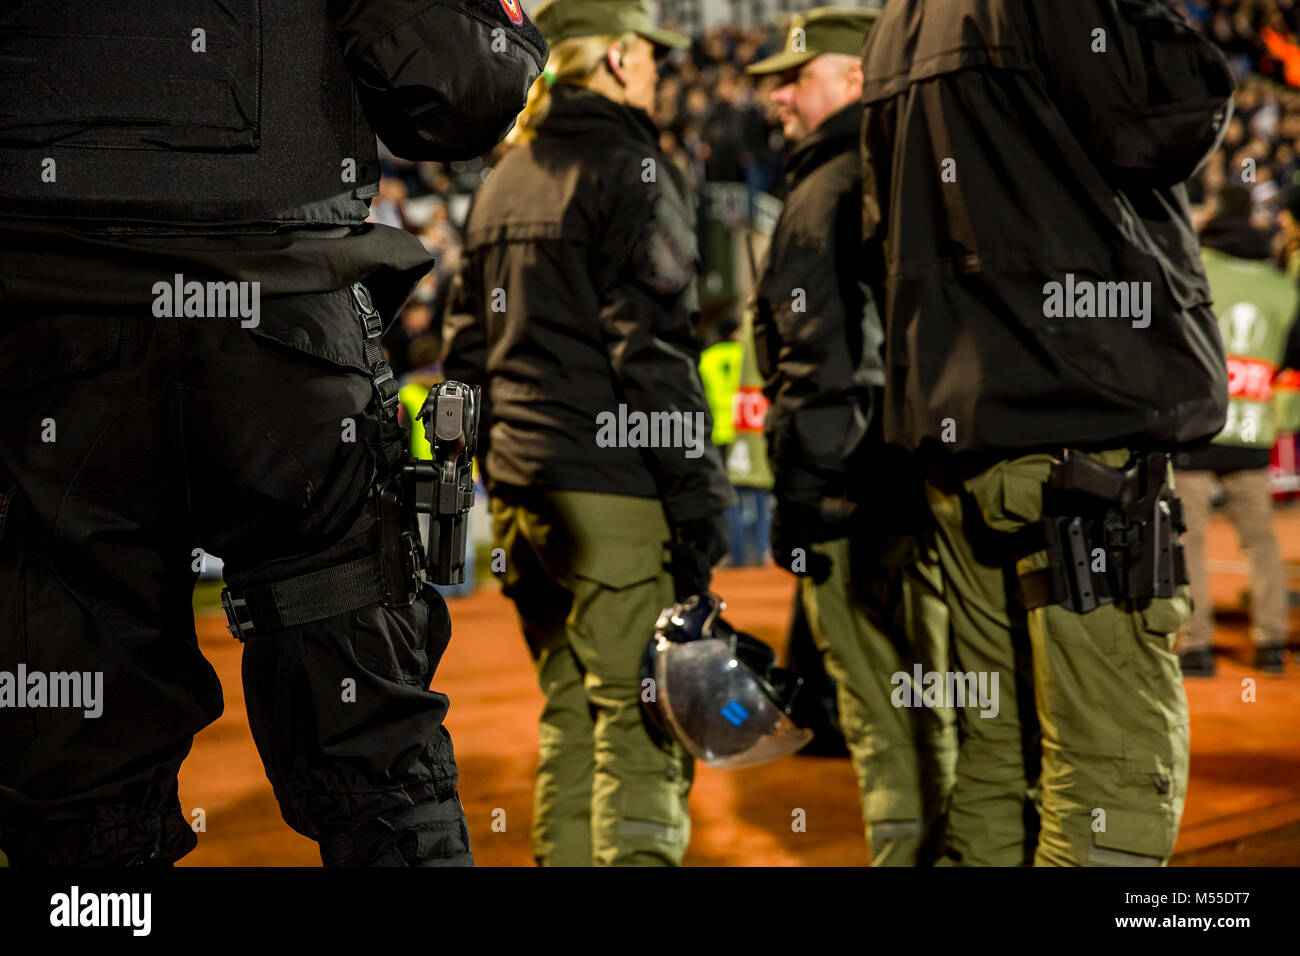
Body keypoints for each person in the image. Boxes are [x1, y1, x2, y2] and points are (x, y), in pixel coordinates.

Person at [0, 0, 545, 866]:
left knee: (83, 809)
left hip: (51, 350)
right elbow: (454, 86)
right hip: (285, 334)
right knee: (381, 774)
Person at [860, 0, 1234, 866]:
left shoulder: (897, 23)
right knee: (1109, 774)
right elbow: (1176, 111)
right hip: (1082, 428)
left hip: (959, 432)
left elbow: (884, 232)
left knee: (998, 758)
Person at [441, 0, 733, 866]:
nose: (656, 69)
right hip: (612, 494)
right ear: (611, 60)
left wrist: (495, 473)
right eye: (647, 53)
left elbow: (465, 354)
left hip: (527, 495)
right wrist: (697, 502)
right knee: (644, 722)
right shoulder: (632, 167)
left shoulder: (506, 175)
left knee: (570, 711)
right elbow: (652, 356)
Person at [745, 6, 955, 866]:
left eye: (795, 78)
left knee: (881, 717)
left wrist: (802, 501)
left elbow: (820, 365)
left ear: (855, 79)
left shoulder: (825, 187)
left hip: (852, 488)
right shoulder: (918, 170)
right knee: (944, 704)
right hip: (924, 482)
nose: (777, 100)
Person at [1176, 183, 1300, 676]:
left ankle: (1197, 645)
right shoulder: (1281, 285)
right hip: (1253, 427)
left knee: (1189, 538)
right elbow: (1292, 358)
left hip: (1198, 427)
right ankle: (1271, 643)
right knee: (1260, 538)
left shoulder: (1195, 270)